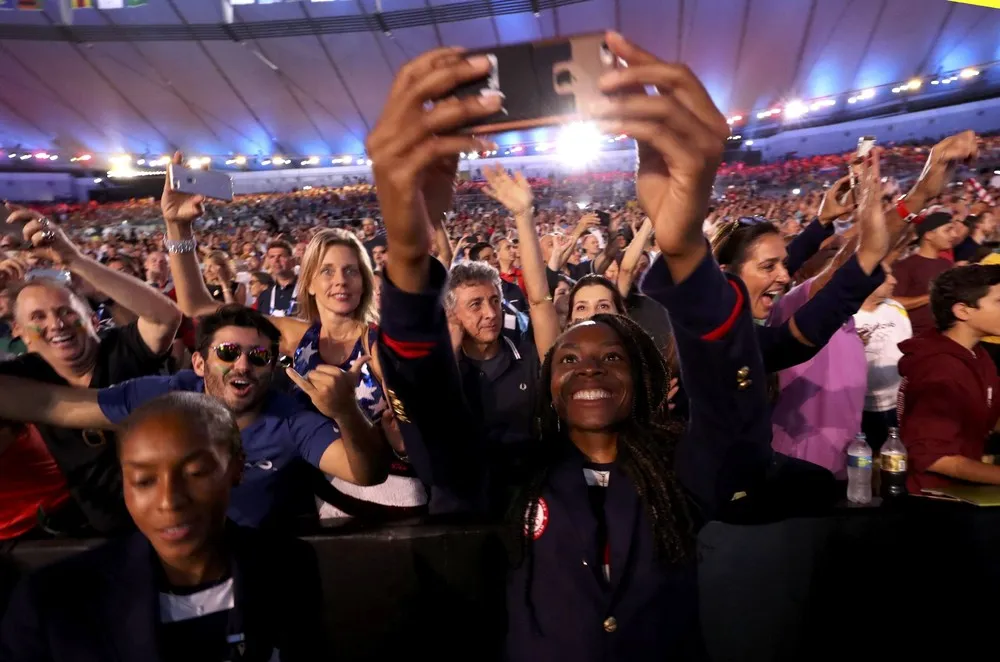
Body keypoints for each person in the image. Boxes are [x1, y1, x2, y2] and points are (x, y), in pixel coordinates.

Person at [367, 32, 771, 658]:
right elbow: (429, 402)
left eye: (612, 357)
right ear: (548, 382)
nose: (590, 368)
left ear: (641, 378)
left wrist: (688, 248)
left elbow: (733, 408)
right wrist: (407, 256)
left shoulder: (683, 471)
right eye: (570, 357)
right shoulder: (509, 474)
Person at [159, 175, 418, 519]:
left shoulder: (378, 345)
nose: (340, 280)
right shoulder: (295, 336)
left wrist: (399, 439)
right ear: (309, 282)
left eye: (350, 271)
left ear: (364, 282)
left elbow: (413, 427)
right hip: (308, 491)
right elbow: (194, 305)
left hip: (373, 495)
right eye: (327, 271)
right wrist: (178, 228)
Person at [0, 392, 326, 661]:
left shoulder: (289, 566)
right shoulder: (50, 601)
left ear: (236, 468)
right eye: (144, 480)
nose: (169, 500)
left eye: (196, 473)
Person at [0, 304, 389, 529]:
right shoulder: (163, 395)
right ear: (200, 362)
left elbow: (366, 473)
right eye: (227, 353)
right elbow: (52, 405)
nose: (242, 366)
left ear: (270, 367)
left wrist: (346, 412)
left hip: (258, 568)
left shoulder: (289, 416)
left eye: (257, 358)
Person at [0, 207, 182, 534]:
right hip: (104, 533)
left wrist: (73, 258)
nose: (56, 324)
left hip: (178, 513)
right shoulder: (26, 376)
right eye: (37, 318)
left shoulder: (121, 349)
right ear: (20, 333)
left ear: (93, 319)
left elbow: (165, 318)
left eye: (66, 312)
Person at [897, 264, 1000, 493]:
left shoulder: (976, 355)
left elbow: (988, 413)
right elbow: (934, 457)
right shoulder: (939, 370)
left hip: (965, 493)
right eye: (999, 302)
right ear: (962, 311)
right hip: (936, 501)